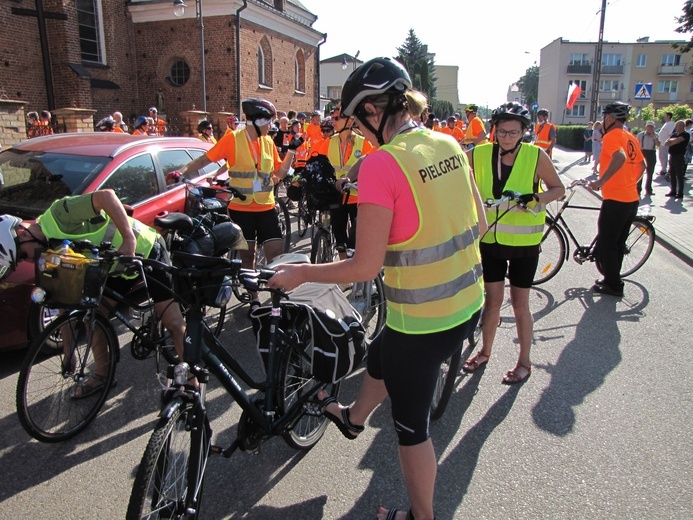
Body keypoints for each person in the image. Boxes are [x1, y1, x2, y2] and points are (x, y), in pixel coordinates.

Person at [267, 57, 485, 520]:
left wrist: (304, 272)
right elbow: (480, 224)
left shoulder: (382, 165)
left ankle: (420, 516)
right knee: (381, 352)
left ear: (373, 110)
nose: (361, 134)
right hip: (469, 303)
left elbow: (364, 268)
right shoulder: (447, 143)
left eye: (359, 122)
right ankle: (354, 418)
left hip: (424, 321)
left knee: (412, 432)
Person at [0, 190, 186, 396]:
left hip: (145, 250)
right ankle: (101, 376)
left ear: (23, 234)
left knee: (173, 323)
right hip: (115, 267)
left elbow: (106, 196)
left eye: (23, 254)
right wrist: (68, 352)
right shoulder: (48, 252)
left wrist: (128, 239)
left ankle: (191, 382)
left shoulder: (59, 214)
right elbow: (63, 301)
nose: (28, 260)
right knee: (93, 316)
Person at [463, 102, 564, 385]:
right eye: (502, 131)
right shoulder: (480, 153)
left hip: (524, 247)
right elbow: (453, 172)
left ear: (524, 132)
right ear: (494, 130)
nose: (507, 137)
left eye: (514, 132)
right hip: (491, 242)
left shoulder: (535, 155)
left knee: (520, 305)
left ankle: (524, 362)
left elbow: (559, 189)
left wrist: (536, 198)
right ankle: (485, 351)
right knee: (492, 302)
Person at [174, 98, 301, 308]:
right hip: (241, 209)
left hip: (267, 206)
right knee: (248, 257)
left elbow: (278, 172)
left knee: (276, 256)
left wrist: (292, 152)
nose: (271, 126)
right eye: (268, 121)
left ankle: (276, 298)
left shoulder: (267, 141)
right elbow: (204, 160)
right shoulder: (232, 139)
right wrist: (181, 172)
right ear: (256, 120)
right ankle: (254, 300)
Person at [587, 102, 646, 297]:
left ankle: (613, 284)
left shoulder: (612, 136)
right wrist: (630, 183)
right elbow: (643, 165)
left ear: (610, 119)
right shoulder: (631, 138)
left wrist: (600, 182)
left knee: (608, 242)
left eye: (604, 118)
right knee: (618, 243)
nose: (603, 121)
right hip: (631, 199)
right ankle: (613, 279)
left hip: (616, 200)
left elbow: (619, 157)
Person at [313, 104, 374, 259]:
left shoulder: (364, 142)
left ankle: (357, 273)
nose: (333, 121)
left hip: (357, 196)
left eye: (337, 118)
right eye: (333, 117)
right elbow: (315, 162)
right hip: (336, 195)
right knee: (340, 237)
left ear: (350, 120)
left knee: (356, 240)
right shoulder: (328, 142)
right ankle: (345, 277)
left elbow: (373, 164)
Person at [664, 119, 689, 199]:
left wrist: (671, 141)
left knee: (679, 175)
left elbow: (677, 141)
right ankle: (673, 191)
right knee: (672, 174)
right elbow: (666, 143)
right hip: (672, 156)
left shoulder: (686, 134)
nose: (676, 127)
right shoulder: (674, 134)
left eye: (677, 126)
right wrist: (671, 141)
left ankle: (680, 193)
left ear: (682, 126)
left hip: (679, 156)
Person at [636, 121, 659, 196]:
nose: (650, 128)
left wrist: (654, 137)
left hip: (651, 154)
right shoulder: (641, 135)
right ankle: (638, 189)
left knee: (650, 173)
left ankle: (648, 189)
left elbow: (658, 144)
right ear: (646, 127)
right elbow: (636, 144)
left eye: (651, 127)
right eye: (648, 127)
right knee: (640, 172)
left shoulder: (656, 135)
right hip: (642, 153)